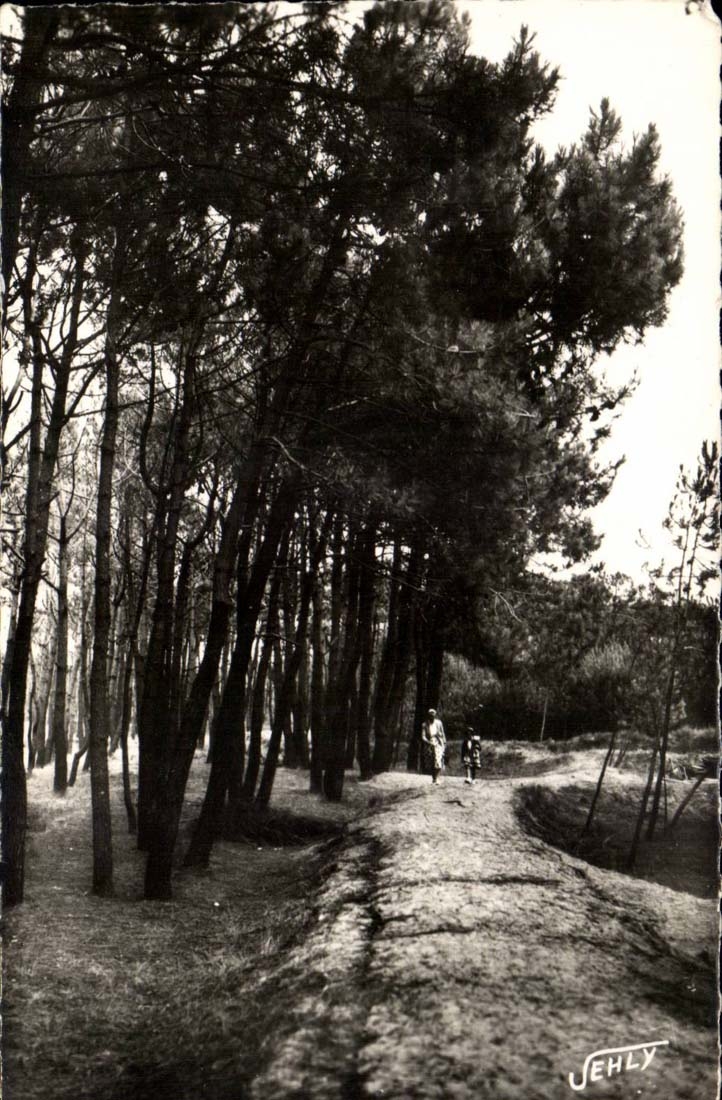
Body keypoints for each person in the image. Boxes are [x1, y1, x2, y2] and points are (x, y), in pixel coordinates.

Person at [421, 708, 446, 785]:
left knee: (438, 759)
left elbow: (442, 733)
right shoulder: (424, 724)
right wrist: (428, 742)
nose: (432, 716)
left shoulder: (439, 723)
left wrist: (444, 743)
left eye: (433, 715)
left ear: (435, 715)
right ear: (428, 716)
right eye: (430, 715)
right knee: (431, 762)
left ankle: (437, 778)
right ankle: (434, 779)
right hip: (429, 744)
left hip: (438, 743)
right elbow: (423, 736)